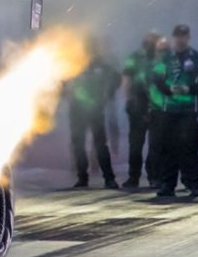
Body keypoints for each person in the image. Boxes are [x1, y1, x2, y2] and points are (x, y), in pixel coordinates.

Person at [152, 24, 198, 197]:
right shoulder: (165, 57)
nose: (180, 39)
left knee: (189, 147)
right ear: (173, 37)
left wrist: (189, 89)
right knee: (168, 147)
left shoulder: (196, 57)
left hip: (188, 109)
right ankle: (168, 185)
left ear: (188, 37)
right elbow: (157, 79)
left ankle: (193, 183)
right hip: (169, 109)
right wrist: (169, 90)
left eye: (183, 35)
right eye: (177, 36)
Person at [68, 38, 120, 189]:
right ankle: (83, 178)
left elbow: (116, 79)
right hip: (77, 110)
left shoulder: (102, 66)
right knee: (79, 145)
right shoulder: (74, 65)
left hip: (95, 110)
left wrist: (107, 94)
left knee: (99, 145)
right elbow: (63, 82)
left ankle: (108, 178)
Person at [121, 31, 160, 188]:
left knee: (155, 144)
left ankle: (153, 175)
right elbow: (126, 79)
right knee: (136, 144)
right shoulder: (135, 58)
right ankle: (134, 176)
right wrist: (129, 100)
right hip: (138, 105)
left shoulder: (163, 58)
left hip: (157, 105)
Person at [147, 36, 171, 190]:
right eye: (161, 50)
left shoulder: (173, 67)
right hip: (157, 110)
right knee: (156, 146)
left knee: (169, 146)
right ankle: (155, 177)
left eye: (166, 50)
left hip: (171, 111)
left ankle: (166, 177)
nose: (163, 53)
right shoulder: (154, 67)